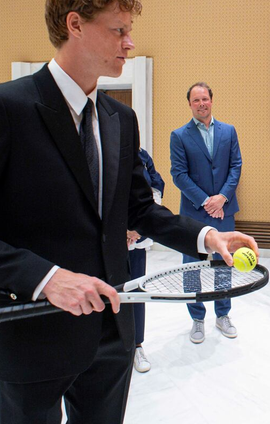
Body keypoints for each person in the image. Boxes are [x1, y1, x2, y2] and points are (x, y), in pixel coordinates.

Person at [0, 0, 258, 424]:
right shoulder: (1, 108)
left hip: (111, 330)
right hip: (31, 326)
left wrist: (208, 236)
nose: (129, 43)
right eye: (119, 30)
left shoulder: (120, 119)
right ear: (74, 24)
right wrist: (46, 278)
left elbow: (138, 208)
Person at [170, 82, 243, 343]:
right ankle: (197, 318)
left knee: (224, 264)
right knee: (192, 267)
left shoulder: (229, 131)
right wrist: (205, 201)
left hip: (225, 210)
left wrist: (222, 198)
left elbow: (236, 166)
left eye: (205, 99)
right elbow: (179, 174)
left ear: (212, 100)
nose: (201, 104)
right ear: (189, 104)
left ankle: (223, 314)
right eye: (196, 100)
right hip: (194, 213)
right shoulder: (179, 136)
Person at [126, 147, 166, 374]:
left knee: (135, 290)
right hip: (103, 239)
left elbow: (157, 185)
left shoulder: (141, 154)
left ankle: (136, 345)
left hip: (136, 238)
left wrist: (138, 227)